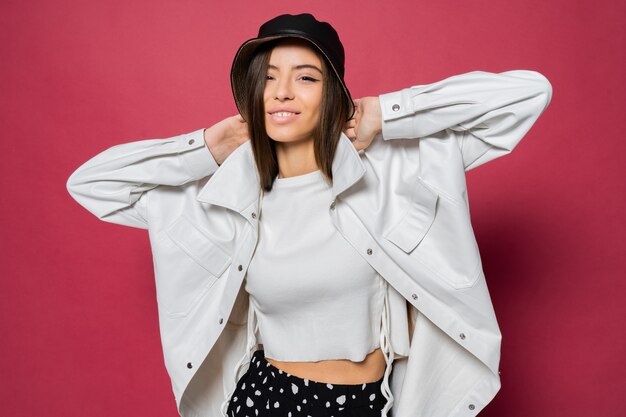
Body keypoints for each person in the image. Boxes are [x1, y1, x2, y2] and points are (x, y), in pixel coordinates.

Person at [66, 12, 552, 417]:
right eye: (269, 78)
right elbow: (91, 184)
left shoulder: (395, 173)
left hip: (374, 402)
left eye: (305, 77)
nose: (282, 92)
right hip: (273, 401)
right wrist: (207, 147)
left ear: (334, 93)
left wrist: (388, 112)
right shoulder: (223, 200)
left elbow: (529, 94)